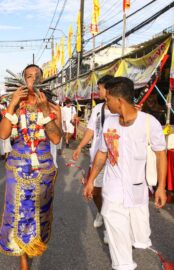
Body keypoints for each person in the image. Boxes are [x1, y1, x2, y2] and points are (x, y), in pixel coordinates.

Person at [84, 77, 167, 270]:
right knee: (116, 236)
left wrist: (161, 187)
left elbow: (161, 154)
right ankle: (123, 265)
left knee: (138, 238)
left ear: (119, 100)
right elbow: (102, 153)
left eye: (108, 100)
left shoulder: (149, 123)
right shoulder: (109, 122)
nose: (107, 104)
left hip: (137, 191)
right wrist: (90, 180)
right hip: (112, 190)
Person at [0, 64, 62, 270]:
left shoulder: (53, 108)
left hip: (42, 169)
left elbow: (56, 137)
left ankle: (33, 245)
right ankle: (23, 260)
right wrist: (13, 103)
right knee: (17, 212)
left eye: (36, 76)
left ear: (43, 80)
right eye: (28, 77)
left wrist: (44, 111)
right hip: (17, 168)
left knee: (38, 212)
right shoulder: (15, 106)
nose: (32, 80)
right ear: (23, 80)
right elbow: (3, 134)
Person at [73, 75, 114, 230]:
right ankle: (101, 213)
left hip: (114, 158)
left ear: (108, 89)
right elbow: (91, 130)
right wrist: (79, 147)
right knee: (95, 192)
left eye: (100, 88)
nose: (98, 91)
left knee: (111, 192)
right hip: (97, 156)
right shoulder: (98, 109)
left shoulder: (121, 108)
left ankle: (111, 227)